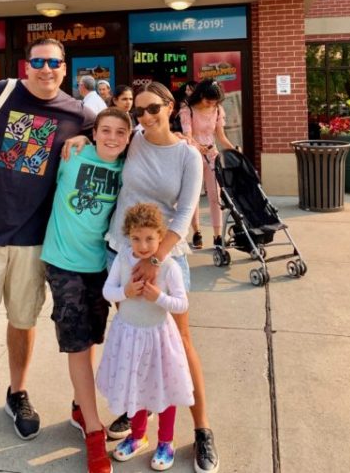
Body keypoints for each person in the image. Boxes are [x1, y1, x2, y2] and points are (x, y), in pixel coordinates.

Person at [0, 38, 95, 471]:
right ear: (26, 65)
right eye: (38, 61)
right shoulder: (0, 92)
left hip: (34, 237)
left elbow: (117, 138)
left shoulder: (80, 114)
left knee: (24, 320)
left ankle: (17, 393)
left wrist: (84, 139)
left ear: (65, 68)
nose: (46, 69)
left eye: (54, 62)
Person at [63, 82, 220, 473]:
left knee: (179, 344)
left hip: (164, 258)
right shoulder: (132, 139)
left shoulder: (187, 155)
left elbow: (184, 214)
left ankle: (202, 429)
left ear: (170, 107)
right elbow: (105, 140)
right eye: (140, 111)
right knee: (138, 339)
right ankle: (141, 414)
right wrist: (81, 141)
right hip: (120, 253)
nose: (146, 117)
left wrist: (156, 259)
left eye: (154, 109)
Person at [41, 107, 131, 473]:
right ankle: (94, 431)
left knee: (92, 337)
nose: (112, 138)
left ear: (128, 138)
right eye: (105, 130)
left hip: (99, 265)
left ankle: (81, 407)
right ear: (94, 132)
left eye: (120, 132)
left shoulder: (125, 169)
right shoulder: (73, 154)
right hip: (63, 262)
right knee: (77, 342)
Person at [97, 202, 194, 472]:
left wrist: (159, 298)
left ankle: (166, 441)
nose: (142, 245)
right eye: (136, 238)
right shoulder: (122, 259)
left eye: (150, 238)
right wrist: (125, 292)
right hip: (129, 336)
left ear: (160, 237)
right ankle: (138, 436)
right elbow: (107, 290)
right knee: (136, 386)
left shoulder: (169, 266)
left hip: (158, 337)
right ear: (128, 237)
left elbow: (182, 304)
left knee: (163, 389)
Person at [179, 80, 236, 250]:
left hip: (212, 155)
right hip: (193, 155)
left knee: (215, 196)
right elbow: (188, 136)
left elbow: (221, 136)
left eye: (214, 101)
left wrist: (234, 150)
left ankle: (218, 236)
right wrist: (198, 146)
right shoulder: (187, 110)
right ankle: (196, 232)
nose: (211, 104)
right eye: (208, 101)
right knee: (194, 195)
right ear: (201, 95)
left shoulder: (217, 110)